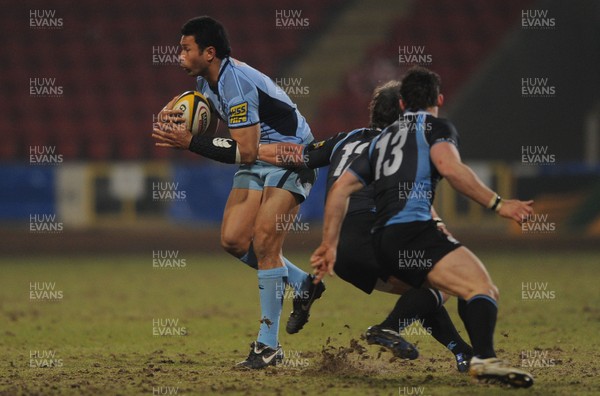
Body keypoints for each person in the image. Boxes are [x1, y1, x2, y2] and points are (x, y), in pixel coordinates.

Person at [310, 66, 535, 388]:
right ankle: (483, 359)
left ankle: (462, 352)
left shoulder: (382, 139)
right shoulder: (435, 127)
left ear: (402, 104)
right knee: (481, 288)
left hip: (382, 240)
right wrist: (499, 204)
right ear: (439, 99)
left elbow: (340, 190)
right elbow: (451, 169)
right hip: (414, 230)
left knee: (444, 289)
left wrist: (329, 244)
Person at [258, 81, 473, 371]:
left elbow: (297, 155)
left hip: (341, 254)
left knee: (418, 292)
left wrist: (245, 149)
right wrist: (442, 233)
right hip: (373, 237)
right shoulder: (400, 148)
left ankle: (462, 353)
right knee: (440, 285)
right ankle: (388, 329)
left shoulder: (344, 140)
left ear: (373, 111)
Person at [152, 16, 324, 369]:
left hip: (290, 156)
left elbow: (244, 150)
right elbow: (223, 124)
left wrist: (191, 142)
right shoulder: (208, 79)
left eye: (186, 48)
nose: (179, 54)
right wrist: (182, 115)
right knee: (233, 240)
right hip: (258, 154)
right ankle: (304, 284)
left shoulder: (236, 82)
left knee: (264, 243)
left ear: (209, 52)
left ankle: (268, 347)